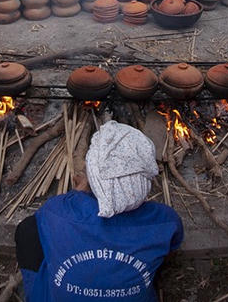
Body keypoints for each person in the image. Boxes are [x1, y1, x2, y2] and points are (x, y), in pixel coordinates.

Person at [15, 120, 183, 301]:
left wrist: (82, 189)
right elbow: (169, 252)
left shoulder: (57, 212)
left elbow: (56, 214)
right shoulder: (165, 221)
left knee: (27, 229)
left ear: (92, 176)